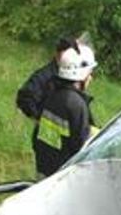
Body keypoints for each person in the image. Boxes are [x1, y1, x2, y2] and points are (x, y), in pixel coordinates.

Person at [32, 43, 97, 176]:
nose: (91, 78)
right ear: (82, 74)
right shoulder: (75, 104)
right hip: (62, 175)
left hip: (44, 166)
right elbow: (81, 147)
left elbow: (37, 134)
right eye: (90, 73)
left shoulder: (52, 93)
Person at [16, 37, 77, 120]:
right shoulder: (44, 76)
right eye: (65, 54)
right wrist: (39, 119)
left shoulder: (72, 76)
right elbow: (25, 98)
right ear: (57, 53)